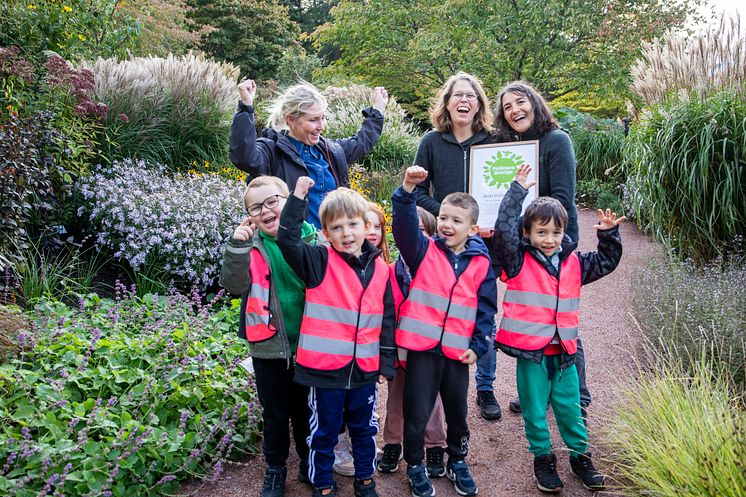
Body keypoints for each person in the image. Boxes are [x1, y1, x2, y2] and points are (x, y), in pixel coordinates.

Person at [492, 164, 624, 492]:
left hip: (564, 352)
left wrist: (608, 235)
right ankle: (543, 458)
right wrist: (516, 192)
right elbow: (503, 232)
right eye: (541, 232)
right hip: (531, 354)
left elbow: (606, 262)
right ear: (528, 234)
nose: (548, 239)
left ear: (563, 232)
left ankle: (580, 456)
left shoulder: (575, 263)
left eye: (555, 232)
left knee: (569, 408)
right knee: (535, 410)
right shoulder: (517, 260)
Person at [277, 179, 396, 497]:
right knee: (324, 432)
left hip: (364, 371)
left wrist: (386, 361)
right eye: (337, 227)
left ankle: (366, 479)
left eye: (353, 224)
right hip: (324, 372)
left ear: (366, 226)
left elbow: (386, 318)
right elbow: (287, 241)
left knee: (365, 429)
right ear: (326, 233)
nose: (347, 233)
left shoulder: (382, 269)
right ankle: (322, 483)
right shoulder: (318, 260)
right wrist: (298, 197)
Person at [393, 166, 498, 497]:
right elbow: (405, 229)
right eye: (444, 218)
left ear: (473, 228)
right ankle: (414, 465)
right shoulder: (423, 250)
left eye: (456, 220)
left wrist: (479, 347)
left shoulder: (482, 264)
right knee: (417, 413)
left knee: (458, 412)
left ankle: (458, 460)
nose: (448, 225)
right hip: (423, 350)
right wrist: (407, 190)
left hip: (457, 352)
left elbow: (486, 310)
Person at [219, 176, 323, 497]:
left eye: (271, 202)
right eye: (255, 207)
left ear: (287, 201)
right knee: (275, 415)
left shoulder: (310, 239)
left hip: (308, 346)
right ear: (249, 217)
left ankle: (310, 464)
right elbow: (234, 285)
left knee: (307, 412)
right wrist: (236, 247)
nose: (265, 210)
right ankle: (276, 470)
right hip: (268, 349)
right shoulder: (249, 249)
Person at [492, 80, 590, 416]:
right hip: (528, 243)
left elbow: (563, 197)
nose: (515, 110)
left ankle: (579, 395)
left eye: (520, 102)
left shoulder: (556, 141)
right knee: (535, 318)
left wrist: (541, 235)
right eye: (507, 107)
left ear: (534, 103)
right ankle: (539, 390)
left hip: (556, 242)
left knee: (562, 318)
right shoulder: (514, 148)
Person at [412, 72, 502, 421]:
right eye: (457, 95)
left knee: (483, 313)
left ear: (479, 103)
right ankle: (439, 371)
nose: (464, 101)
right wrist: (450, 218)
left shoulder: (493, 141)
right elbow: (419, 191)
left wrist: (491, 223)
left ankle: (486, 387)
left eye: (471, 95)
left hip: (484, 243)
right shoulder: (432, 142)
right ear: (446, 103)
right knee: (445, 307)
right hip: (445, 243)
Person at [229, 79, 389, 228]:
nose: (321, 126)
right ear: (291, 120)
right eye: (313, 120)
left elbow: (361, 142)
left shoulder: (330, 150)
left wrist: (378, 110)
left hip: (332, 248)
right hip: (293, 249)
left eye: (323, 118)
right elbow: (243, 157)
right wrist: (245, 107)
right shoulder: (272, 151)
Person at [378, 206, 448, 478]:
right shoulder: (389, 272)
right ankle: (393, 444)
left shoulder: (438, 272)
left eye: (422, 231)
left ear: (432, 236)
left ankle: (434, 445)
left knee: (432, 402)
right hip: (399, 350)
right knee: (396, 401)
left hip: (429, 351)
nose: (415, 237)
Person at [332, 201, 390, 477]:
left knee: (366, 407)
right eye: (369, 226)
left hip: (368, 354)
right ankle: (341, 447)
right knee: (339, 409)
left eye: (378, 226)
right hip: (340, 354)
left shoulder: (382, 266)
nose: (373, 232)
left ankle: (361, 446)